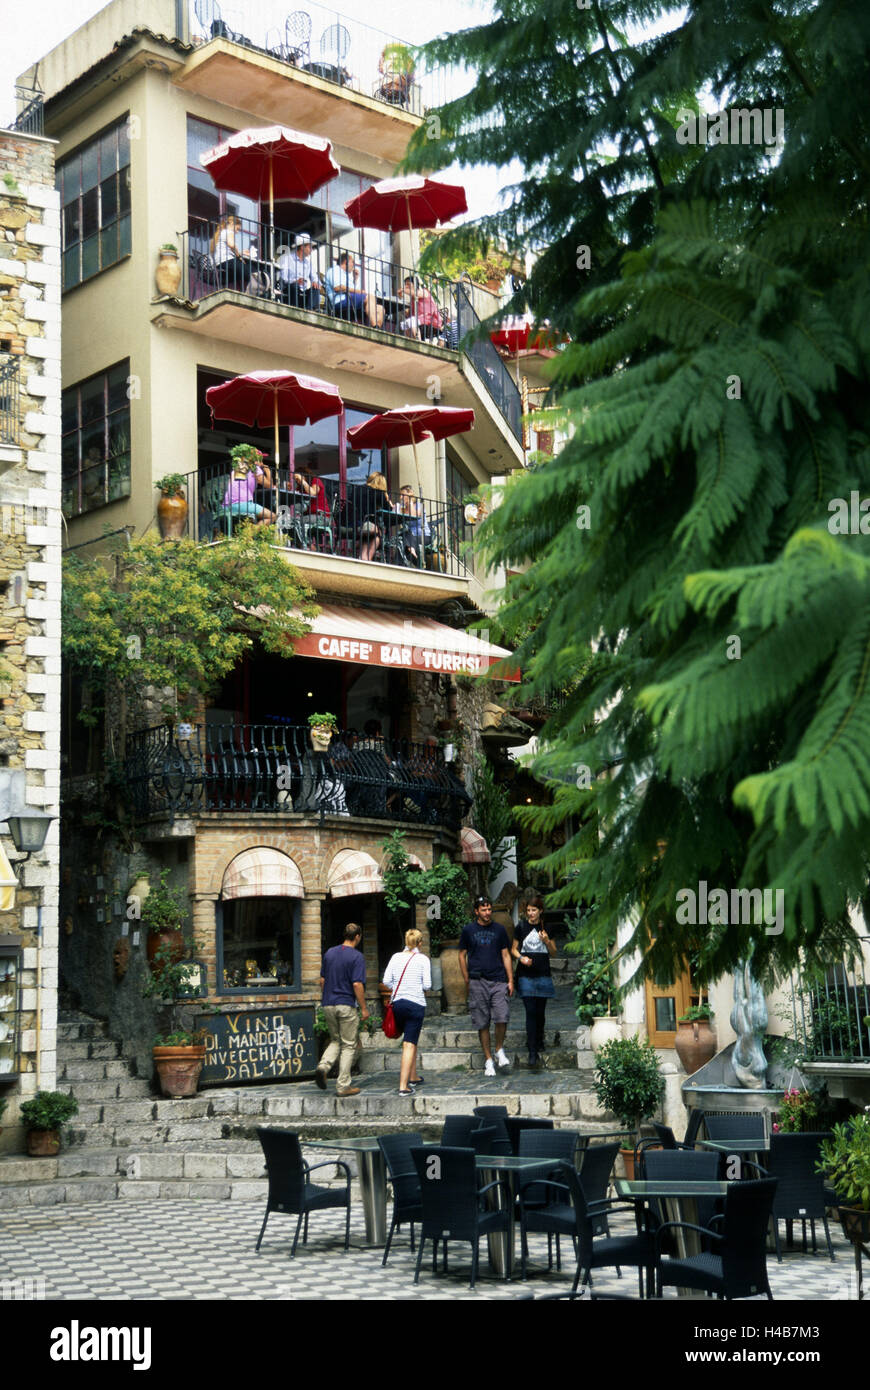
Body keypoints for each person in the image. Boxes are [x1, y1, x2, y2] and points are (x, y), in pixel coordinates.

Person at [459, 894, 513, 1076]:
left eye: (489, 909)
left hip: (498, 979)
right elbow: (461, 955)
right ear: (476, 911)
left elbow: (506, 955)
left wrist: (510, 979)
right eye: (483, 910)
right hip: (477, 980)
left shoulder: (499, 929)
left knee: (502, 1016)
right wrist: (466, 978)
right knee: (482, 1022)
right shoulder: (468, 930)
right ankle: (489, 1059)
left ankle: (499, 1049)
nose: (487, 913)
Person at [314, 922, 368, 1097]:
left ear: (344, 935)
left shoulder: (330, 953)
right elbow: (357, 984)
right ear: (357, 936)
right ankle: (343, 1086)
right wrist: (364, 1008)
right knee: (348, 1045)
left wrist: (328, 996)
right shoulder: (357, 957)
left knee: (335, 1040)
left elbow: (322, 980)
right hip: (345, 1004)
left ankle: (323, 1066)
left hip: (328, 1003)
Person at [382, 927, 431, 1095]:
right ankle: (403, 1086)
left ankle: (413, 1075)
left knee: (411, 1039)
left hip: (398, 1004)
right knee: (409, 1043)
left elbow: (387, 980)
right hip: (415, 1004)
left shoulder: (395, 957)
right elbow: (427, 985)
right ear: (419, 943)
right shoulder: (423, 959)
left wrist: (398, 987)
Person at [511, 893, 556, 1069]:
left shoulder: (547, 928)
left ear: (540, 911)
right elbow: (513, 949)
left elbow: (554, 952)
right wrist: (521, 958)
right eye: (528, 910)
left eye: (534, 910)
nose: (530, 913)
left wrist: (546, 941)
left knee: (540, 1012)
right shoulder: (520, 927)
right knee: (530, 1011)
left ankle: (539, 1038)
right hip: (525, 975)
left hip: (543, 973)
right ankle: (532, 1051)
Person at [325, 251, 384, 327]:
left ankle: (377, 327)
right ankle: (374, 325)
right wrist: (360, 291)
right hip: (340, 300)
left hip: (349, 299)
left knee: (380, 308)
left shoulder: (346, 275)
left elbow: (353, 292)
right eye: (352, 262)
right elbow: (338, 287)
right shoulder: (334, 270)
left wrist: (355, 279)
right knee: (369, 297)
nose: (353, 265)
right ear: (346, 262)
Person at [222, 447, 276, 527]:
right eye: (260, 459)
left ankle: (246, 534)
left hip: (226, 505)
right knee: (271, 516)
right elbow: (270, 485)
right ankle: (248, 535)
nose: (261, 461)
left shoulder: (237, 469)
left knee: (250, 520)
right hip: (242, 503)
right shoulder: (255, 468)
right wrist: (267, 469)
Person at [210, 214, 257, 292]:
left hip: (219, 264)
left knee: (246, 271)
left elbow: (225, 249)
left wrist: (241, 253)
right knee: (253, 270)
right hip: (227, 262)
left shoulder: (219, 234)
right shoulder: (229, 232)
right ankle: (264, 289)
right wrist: (239, 256)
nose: (237, 231)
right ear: (232, 223)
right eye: (237, 228)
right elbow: (231, 245)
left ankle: (252, 289)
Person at [277, 232, 321, 310]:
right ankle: (295, 310)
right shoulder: (287, 259)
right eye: (309, 247)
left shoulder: (308, 263)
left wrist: (315, 282)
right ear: (302, 247)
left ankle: (309, 310)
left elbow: (315, 277)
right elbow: (283, 277)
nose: (311, 250)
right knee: (294, 286)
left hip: (302, 290)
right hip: (289, 288)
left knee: (315, 289)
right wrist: (295, 281)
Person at [357, 472, 394, 561]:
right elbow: (389, 510)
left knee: (373, 537)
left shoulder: (358, 489)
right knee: (379, 536)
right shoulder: (378, 493)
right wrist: (388, 500)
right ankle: (367, 559)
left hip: (355, 523)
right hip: (368, 525)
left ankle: (363, 557)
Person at [400, 276, 442, 340]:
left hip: (430, 318)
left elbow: (416, 293)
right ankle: (410, 341)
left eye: (408, 284)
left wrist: (403, 290)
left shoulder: (424, 291)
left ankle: (418, 341)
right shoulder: (412, 299)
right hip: (420, 319)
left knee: (411, 322)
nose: (406, 286)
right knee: (404, 324)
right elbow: (411, 313)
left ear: (415, 284)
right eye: (405, 284)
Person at [397, 483, 430, 564]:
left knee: (406, 536)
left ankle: (412, 552)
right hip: (410, 536)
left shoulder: (419, 505)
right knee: (401, 538)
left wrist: (410, 501)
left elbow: (414, 515)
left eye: (402, 495)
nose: (400, 497)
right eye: (400, 495)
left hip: (424, 535)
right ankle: (402, 561)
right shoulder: (403, 509)